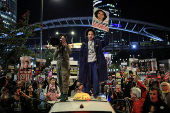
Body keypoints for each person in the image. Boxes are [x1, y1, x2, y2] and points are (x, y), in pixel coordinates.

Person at [78, 28, 109, 99]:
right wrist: (81, 63)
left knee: (96, 78)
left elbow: (106, 42)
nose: (90, 35)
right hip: (86, 64)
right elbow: (81, 55)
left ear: (94, 35)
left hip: (95, 63)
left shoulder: (98, 42)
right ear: (87, 35)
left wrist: (107, 33)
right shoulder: (84, 44)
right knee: (86, 79)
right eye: (89, 34)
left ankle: (96, 94)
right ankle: (86, 93)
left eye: (92, 34)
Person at [53, 35, 72, 101]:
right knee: (59, 80)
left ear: (65, 39)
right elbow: (54, 56)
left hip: (65, 64)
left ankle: (65, 94)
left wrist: (66, 46)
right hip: (58, 64)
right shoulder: (58, 46)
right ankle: (62, 94)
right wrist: (57, 50)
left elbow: (69, 52)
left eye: (63, 38)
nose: (61, 40)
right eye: (61, 38)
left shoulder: (67, 46)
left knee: (65, 80)